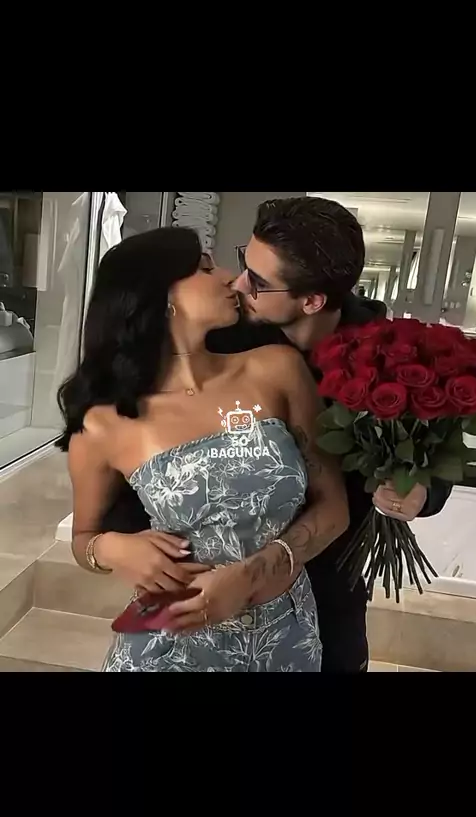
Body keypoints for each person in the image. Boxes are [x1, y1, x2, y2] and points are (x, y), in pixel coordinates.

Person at [101, 197, 452, 673]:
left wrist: (419, 492)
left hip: (331, 573)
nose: (238, 283)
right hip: (206, 585)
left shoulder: (392, 353)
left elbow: (433, 444)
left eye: (259, 281)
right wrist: (124, 544)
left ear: (312, 301)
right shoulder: (224, 336)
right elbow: (143, 449)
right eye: (244, 261)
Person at [58, 226, 349, 673]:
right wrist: (112, 548)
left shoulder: (276, 370)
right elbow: (84, 538)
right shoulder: (104, 424)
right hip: (169, 647)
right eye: (204, 267)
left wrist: (251, 575)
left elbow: (334, 509)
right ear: (162, 296)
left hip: (286, 635)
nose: (231, 277)